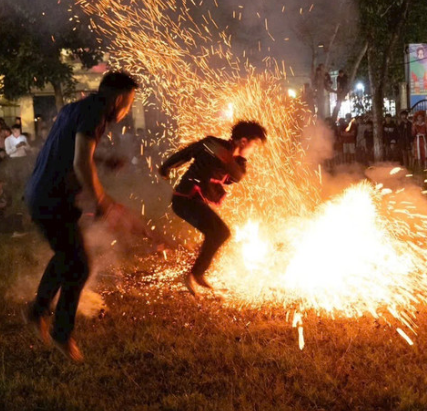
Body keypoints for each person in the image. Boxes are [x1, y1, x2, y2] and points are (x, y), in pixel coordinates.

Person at [23, 71, 139, 363]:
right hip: (51, 197)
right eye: (129, 103)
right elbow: (79, 162)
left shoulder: (76, 108)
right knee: (80, 266)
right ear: (118, 98)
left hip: (42, 193)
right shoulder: (97, 113)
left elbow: (70, 149)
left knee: (66, 255)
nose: (127, 111)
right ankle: (61, 331)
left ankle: (37, 311)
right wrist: (101, 201)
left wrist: (102, 159)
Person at [160, 120, 267, 296]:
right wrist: (166, 166)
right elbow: (187, 153)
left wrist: (228, 157)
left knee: (219, 233)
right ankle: (195, 274)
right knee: (220, 232)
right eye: (253, 145)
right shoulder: (212, 144)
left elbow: (237, 176)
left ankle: (197, 273)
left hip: (195, 201)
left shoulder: (238, 162)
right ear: (243, 141)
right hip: (184, 200)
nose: (253, 150)